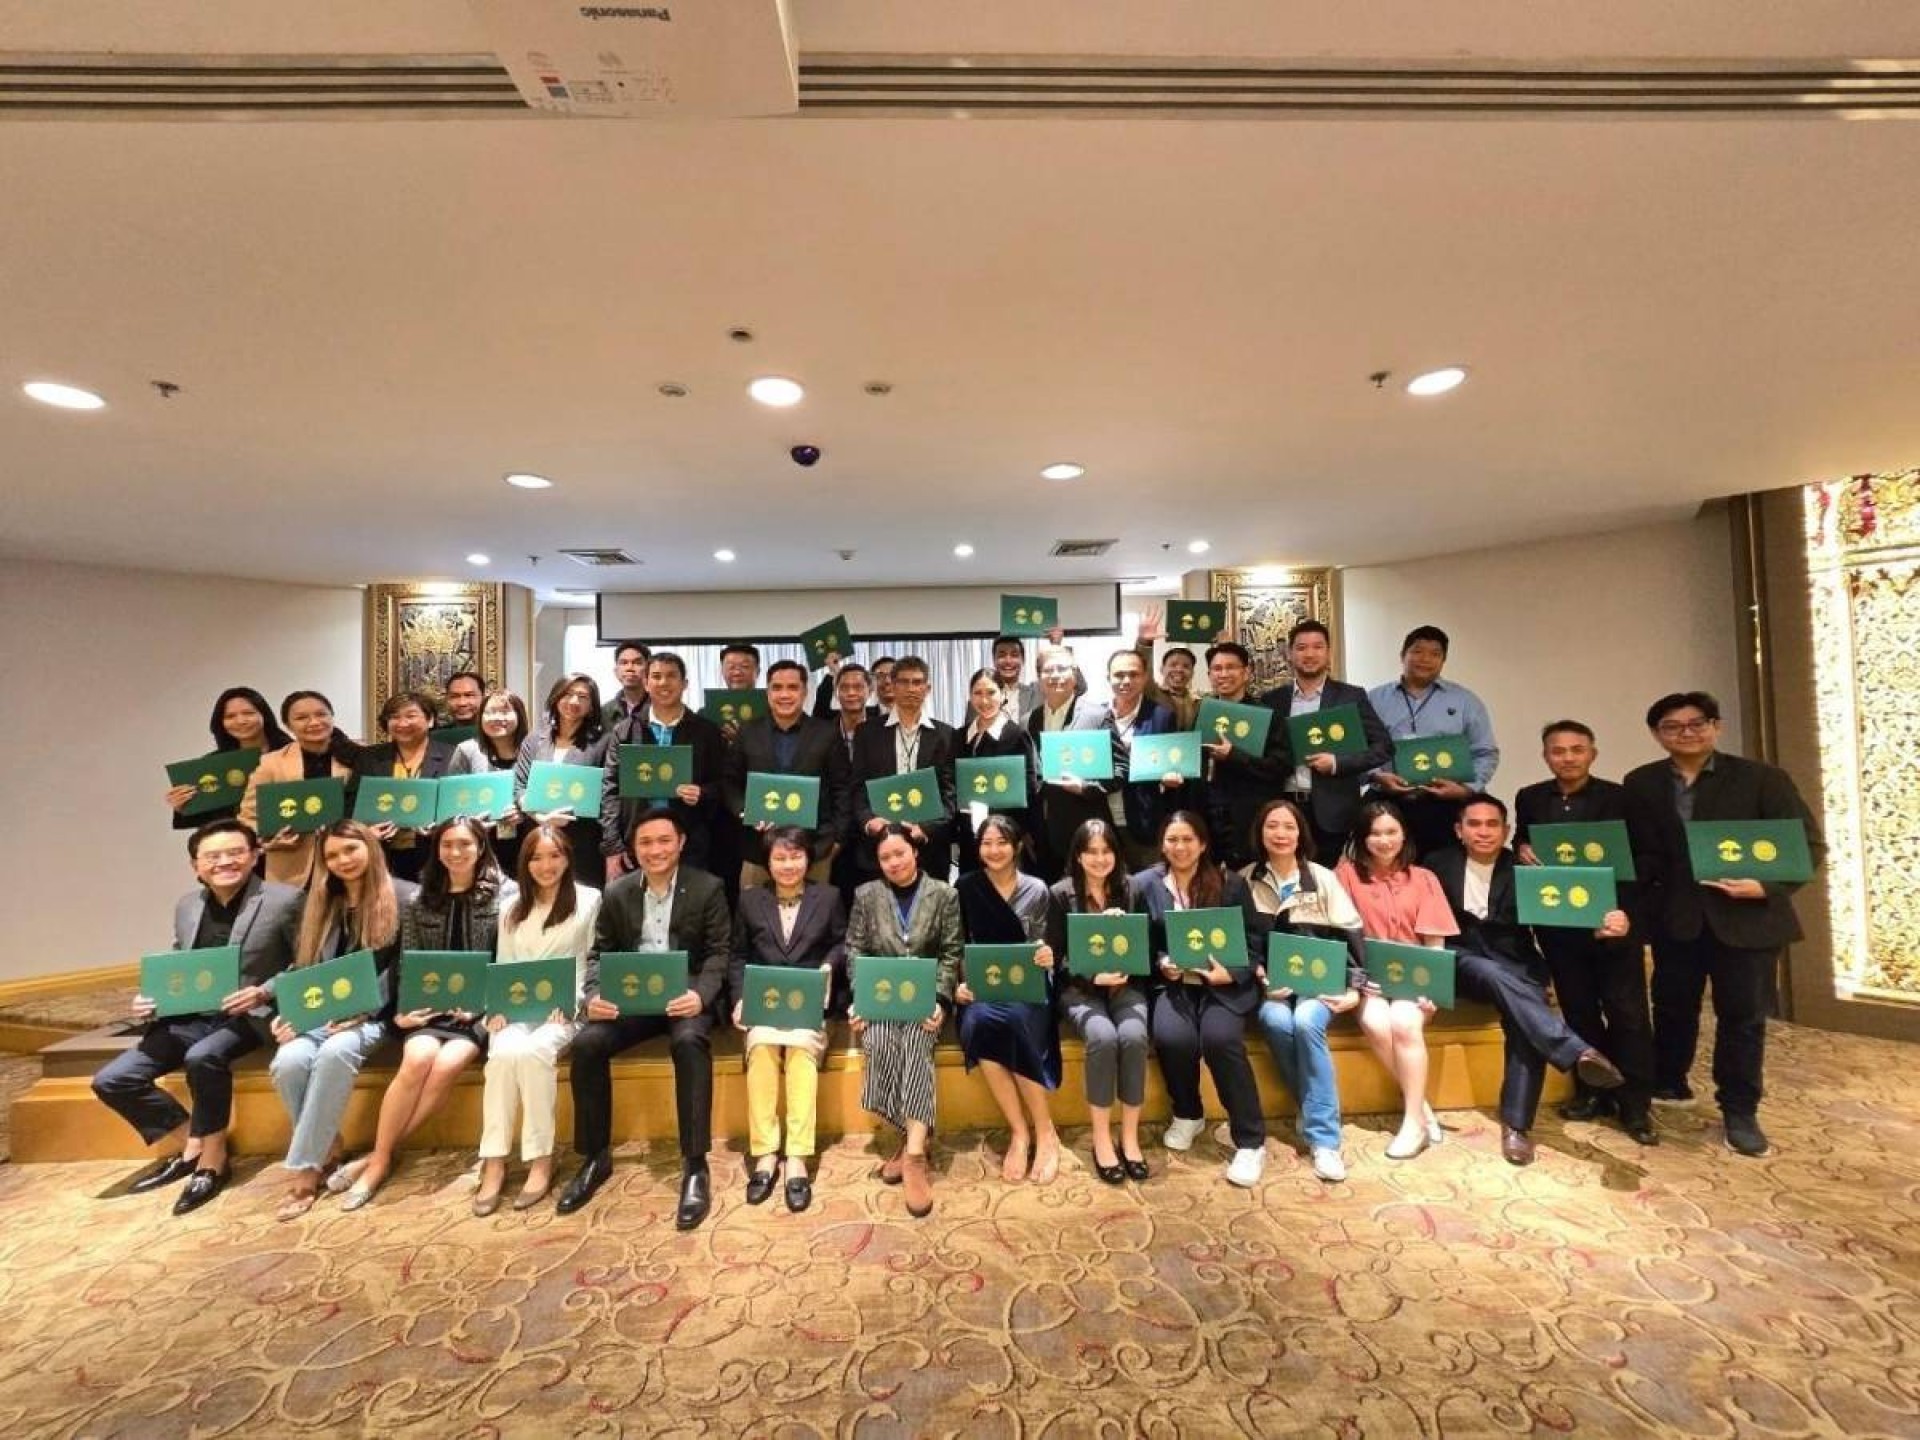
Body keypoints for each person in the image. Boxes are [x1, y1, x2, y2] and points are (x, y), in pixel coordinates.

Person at [1622, 691, 1824, 1158]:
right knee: (1672, 1006)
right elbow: (1641, 851)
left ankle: (1739, 1108)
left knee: (1743, 1017)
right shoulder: (1642, 782)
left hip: (1748, 918)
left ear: (1716, 726)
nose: (1686, 733)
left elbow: (1807, 845)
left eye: (1697, 723)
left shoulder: (1763, 779)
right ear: (1656, 734)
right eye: (1672, 726)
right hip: (1677, 917)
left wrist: (1766, 886)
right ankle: (1669, 1081)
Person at [91, 819, 300, 1214]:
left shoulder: (285, 900)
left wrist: (264, 990)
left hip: (249, 1015)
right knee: (113, 1080)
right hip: (189, 1015)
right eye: (213, 856)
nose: (225, 862)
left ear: (255, 854)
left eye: (235, 852)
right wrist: (151, 997)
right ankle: (194, 1143)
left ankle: (213, 1161)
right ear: (196, 866)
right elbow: (180, 961)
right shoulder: (187, 905)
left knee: (203, 1056)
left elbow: (307, 960)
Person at [1427, 794, 1626, 1165]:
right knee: (1490, 972)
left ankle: (1517, 1127)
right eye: (1474, 824)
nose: (1483, 832)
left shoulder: (1526, 870)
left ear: (1506, 831)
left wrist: (1599, 929)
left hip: (1517, 965)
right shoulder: (1436, 865)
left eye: (1492, 824)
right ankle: (1574, 1050)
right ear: (1458, 830)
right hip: (1459, 961)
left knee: (1525, 1023)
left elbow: (1559, 922)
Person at [560, 809, 732, 1226]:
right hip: (631, 1000)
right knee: (586, 1044)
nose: (655, 850)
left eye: (664, 840)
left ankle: (695, 1164)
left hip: (683, 998)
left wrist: (701, 996)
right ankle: (595, 1157)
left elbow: (718, 953)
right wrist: (594, 995)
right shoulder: (617, 892)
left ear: (681, 843)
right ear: (634, 849)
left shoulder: (708, 887)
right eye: (646, 843)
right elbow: (599, 954)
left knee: (689, 1042)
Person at [332, 817, 511, 1210]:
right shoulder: (418, 899)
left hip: (478, 1011)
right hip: (429, 1008)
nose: (456, 852)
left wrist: (482, 1007)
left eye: (465, 844)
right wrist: (404, 1010)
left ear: (481, 847)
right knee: (417, 1058)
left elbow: (507, 960)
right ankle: (381, 1158)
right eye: (447, 845)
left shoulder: (506, 896)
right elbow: (407, 961)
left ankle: (377, 1157)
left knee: (447, 1064)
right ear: (437, 849)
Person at [1513, 720, 1658, 1145]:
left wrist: (1625, 913)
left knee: (1628, 1013)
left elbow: (1647, 859)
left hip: (1613, 924)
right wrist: (1522, 850)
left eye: (1577, 749)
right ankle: (1592, 1092)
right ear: (1545, 756)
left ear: (1592, 753)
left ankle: (1635, 1103)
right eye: (1558, 751)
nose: (1568, 758)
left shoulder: (1622, 798)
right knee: (1579, 1010)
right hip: (1560, 926)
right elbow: (1524, 841)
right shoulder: (1530, 797)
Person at [266, 820, 416, 1221]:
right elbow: (304, 969)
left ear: (371, 847)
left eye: (350, 849)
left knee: (337, 1051)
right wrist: (289, 1014)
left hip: (375, 1014)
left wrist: (364, 1010)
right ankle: (327, 1143)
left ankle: (306, 1170)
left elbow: (404, 969)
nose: (343, 860)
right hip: (320, 1014)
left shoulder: (406, 897)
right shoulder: (318, 904)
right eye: (332, 855)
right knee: (288, 1061)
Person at [1135, 811, 1268, 1187]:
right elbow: (1142, 941)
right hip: (1176, 985)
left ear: (1203, 843)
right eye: (1172, 840)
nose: (1180, 847)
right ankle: (1188, 1113)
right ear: (1162, 844)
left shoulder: (1230, 884)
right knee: (1172, 1037)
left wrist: (1233, 972)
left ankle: (1251, 1140)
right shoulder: (1145, 885)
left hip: (1222, 984)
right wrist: (1162, 963)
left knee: (1220, 1039)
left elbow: (1254, 942)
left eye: (1188, 839)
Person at [476, 824, 601, 1214]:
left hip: (564, 1009)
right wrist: (497, 1009)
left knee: (534, 1053)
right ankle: (494, 1159)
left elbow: (590, 963)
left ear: (567, 858)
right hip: (516, 1008)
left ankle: (540, 1158)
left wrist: (573, 1003)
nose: (546, 866)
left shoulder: (589, 899)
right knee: (502, 1056)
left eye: (555, 856)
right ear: (525, 863)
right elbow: (505, 965)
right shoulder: (511, 907)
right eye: (537, 858)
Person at [1241, 798, 1367, 1183]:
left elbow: (1351, 933)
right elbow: (1242, 945)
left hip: (1320, 987)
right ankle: (1312, 1106)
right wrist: (1260, 976)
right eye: (1272, 826)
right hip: (1273, 990)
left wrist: (1354, 989)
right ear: (1260, 833)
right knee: (1277, 1021)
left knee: (1307, 1020)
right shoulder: (1245, 879)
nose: (1280, 834)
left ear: (1301, 834)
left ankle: (1325, 1140)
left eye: (1289, 826)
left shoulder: (1322, 878)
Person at [846, 824, 962, 1218]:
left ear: (915, 852)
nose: (893, 862)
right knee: (878, 1042)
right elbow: (854, 951)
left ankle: (913, 1157)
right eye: (885, 857)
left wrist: (941, 1000)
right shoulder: (866, 895)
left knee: (916, 1041)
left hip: (924, 1000)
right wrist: (860, 999)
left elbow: (951, 953)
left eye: (900, 853)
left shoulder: (944, 894)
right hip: (881, 999)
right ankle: (915, 1134)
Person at [729, 826, 846, 1213]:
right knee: (761, 1048)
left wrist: (829, 966)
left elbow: (842, 942)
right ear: (767, 862)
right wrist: (740, 1000)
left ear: (808, 859)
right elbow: (737, 955)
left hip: (809, 1006)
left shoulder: (828, 897)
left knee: (799, 1053)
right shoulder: (750, 900)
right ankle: (765, 1152)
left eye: (795, 856)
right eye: (779, 858)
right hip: (765, 1005)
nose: (788, 865)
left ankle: (797, 1155)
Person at [1335, 800, 1454, 1160]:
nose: (1384, 840)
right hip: (1368, 981)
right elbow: (1336, 936)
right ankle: (1422, 1109)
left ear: (1404, 835)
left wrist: (1431, 991)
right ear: (1362, 837)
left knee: (1404, 1023)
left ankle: (1412, 1122)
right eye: (1375, 833)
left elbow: (1434, 943)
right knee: (1375, 1021)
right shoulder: (1345, 875)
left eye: (1391, 832)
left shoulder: (1424, 878)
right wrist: (1355, 980)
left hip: (1414, 982)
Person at [955, 815, 1063, 1183]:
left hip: (1028, 988)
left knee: (1015, 1021)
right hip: (983, 989)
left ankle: (1046, 1132)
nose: (994, 850)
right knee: (978, 1023)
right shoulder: (966, 887)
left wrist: (1047, 957)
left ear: (1016, 847)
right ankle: (1020, 1132)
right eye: (987, 843)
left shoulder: (1038, 890)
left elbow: (1047, 946)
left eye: (1002, 842)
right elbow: (956, 945)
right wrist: (959, 985)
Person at [1046, 818, 1151, 1184]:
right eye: (1091, 851)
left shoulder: (1131, 889)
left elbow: (1145, 947)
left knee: (1134, 1036)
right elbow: (1055, 958)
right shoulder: (1060, 894)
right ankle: (1102, 1138)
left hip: (1126, 985)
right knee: (1103, 1036)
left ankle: (1130, 1137)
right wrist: (1092, 976)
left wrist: (1125, 929)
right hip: (1080, 990)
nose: (1100, 858)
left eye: (1107, 851)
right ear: (1078, 856)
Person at [1263, 621, 1393, 862]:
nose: (1309, 654)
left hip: (1333, 811)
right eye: (1301, 648)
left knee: (1327, 877)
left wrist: (1337, 763)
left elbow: (1383, 746)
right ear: (1289, 653)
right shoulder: (1273, 699)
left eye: (1317, 647)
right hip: (1284, 805)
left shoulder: (1351, 696)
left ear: (1328, 652)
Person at [1366, 625, 1499, 858]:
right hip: (1388, 802)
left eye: (1434, 654)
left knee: (1444, 870)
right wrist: (1376, 776)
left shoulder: (1465, 701)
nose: (1425, 659)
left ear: (1443, 660)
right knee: (1385, 869)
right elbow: (1358, 750)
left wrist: (1466, 789)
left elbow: (1485, 752)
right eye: (1417, 651)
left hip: (1445, 805)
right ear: (1402, 655)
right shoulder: (1375, 699)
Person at [598, 652, 725, 879]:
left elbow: (723, 783)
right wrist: (613, 846)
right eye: (656, 676)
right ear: (646, 683)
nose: (664, 682)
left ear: (684, 684)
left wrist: (702, 793)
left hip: (690, 843)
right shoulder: (625, 731)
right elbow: (610, 789)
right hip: (637, 841)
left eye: (671, 676)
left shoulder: (706, 731)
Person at [725, 658, 849, 887]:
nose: (784, 695)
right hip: (758, 849)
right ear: (767, 692)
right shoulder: (748, 732)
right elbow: (730, 782)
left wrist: (838, 839)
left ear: (804, 692)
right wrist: (745, 811)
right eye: (777, 687)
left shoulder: (826, 733)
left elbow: (841, 788)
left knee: (814, 910)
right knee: (755, 908)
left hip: (814, 848)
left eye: (792, 687)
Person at [850, 655, 959, 881]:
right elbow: (858, 787)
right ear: (892, 685)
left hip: (929, 846)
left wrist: (927, 828)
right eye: (904, 682)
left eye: (917, 682)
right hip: (880, 843)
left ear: (927, 688)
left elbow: (950, 794)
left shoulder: (946, 735)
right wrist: (869, 821)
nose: (911, 688)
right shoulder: (867, 733)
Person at [239, 690, 360, 887]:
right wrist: (271, 840)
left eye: (321, 714)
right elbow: (248, 817)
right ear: (288, 725)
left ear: (332, 716)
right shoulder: (272, 763)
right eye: (302, 718)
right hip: (292, 867)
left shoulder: (357, 756)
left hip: (348, 861)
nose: (314, 722)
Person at [1025, 644, 1120, 882]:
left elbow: (1122, 769)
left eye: (1062, 669)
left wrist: (1086, 787)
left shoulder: (1097, 716)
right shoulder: (1029, 720)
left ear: (1075, 675)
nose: (1055, 675)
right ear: (1039, 678)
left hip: (1085, 828)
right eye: (1048, 670)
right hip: (1042, 833)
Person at [1199, 641, 1293, 871]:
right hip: (1207, 818)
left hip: (1250, 820)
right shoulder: (1201, 713)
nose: (1223, 674)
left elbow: (1282, 766)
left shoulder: (1266, 715)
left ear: (1246, 672)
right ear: (1209, 675)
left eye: (1231, 667)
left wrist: (1234, 756)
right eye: (1217, 669)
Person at [517, 672, 612, 889]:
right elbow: (519, 786)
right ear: (556, 697)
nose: (574, 701)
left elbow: (608, 793)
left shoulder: (603, 743)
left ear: (592, 706)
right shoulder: (534, 740)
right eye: (568, 694)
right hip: (538, 837)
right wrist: (541, 817)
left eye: (583, 697)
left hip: (582, 841)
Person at [352, 690, 457, 883]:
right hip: (383, 855)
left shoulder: (452, 755)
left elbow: (460, 805)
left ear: (430, 720)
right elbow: (351, 804)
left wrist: (441, 826)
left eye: (411, 716)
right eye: (394, 717)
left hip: (435, 853)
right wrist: (367, 831)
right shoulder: (369, 757)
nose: (402, 723)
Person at [165, 687, 289, 829]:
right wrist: (182, 806)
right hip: (236, 839)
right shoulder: (212, 764)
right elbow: (206, 821)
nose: (240, 721)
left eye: (248, 713)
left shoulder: (293, 752)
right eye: (230, 716)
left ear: (264, 715)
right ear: (220, 722)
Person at [955, 666, 1037, 874]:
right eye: (978, 693)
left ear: (1002, 694)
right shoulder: (959, 737)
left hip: (1004, 837)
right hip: (969, 836)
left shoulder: (1017, 735)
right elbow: (951, 784)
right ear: (970, 697)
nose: (984, 700)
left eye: (991, 692)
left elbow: (1029, 788)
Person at [1103, 648, 1179, 871]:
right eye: (1119, 675)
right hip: (1102, 817)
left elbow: (1171, 762)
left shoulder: (1162, 716)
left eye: (1134, 674)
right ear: (1108, 677)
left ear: (1145, 677)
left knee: (1147, 883)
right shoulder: (1096, 715)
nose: (1126, 681)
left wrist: (1169, 778)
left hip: (1144, 819)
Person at [448, 688, 531, 874]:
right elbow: (452, 803)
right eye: (490, 712)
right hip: (480, 843)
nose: (497, 718)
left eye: (505, 711)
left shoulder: (534, 750)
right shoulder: (467, 751)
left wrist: (524, 813)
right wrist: (471, 818)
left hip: (527, 843)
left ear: (520, 715)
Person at [990, 634, 1042, 720]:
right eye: (1002, 656)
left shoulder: (1036, 693)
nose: (1008, 661)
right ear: (994, 660)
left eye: (1014, 655)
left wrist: (1055, 643)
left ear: (1023, 660)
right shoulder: (981, 696)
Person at [603, 641, 652, 728]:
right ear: (616, 672)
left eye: (637, 663)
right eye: (624, 663)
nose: (630, 668)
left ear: (648, 669)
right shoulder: (605, 711)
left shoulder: (660, 706)